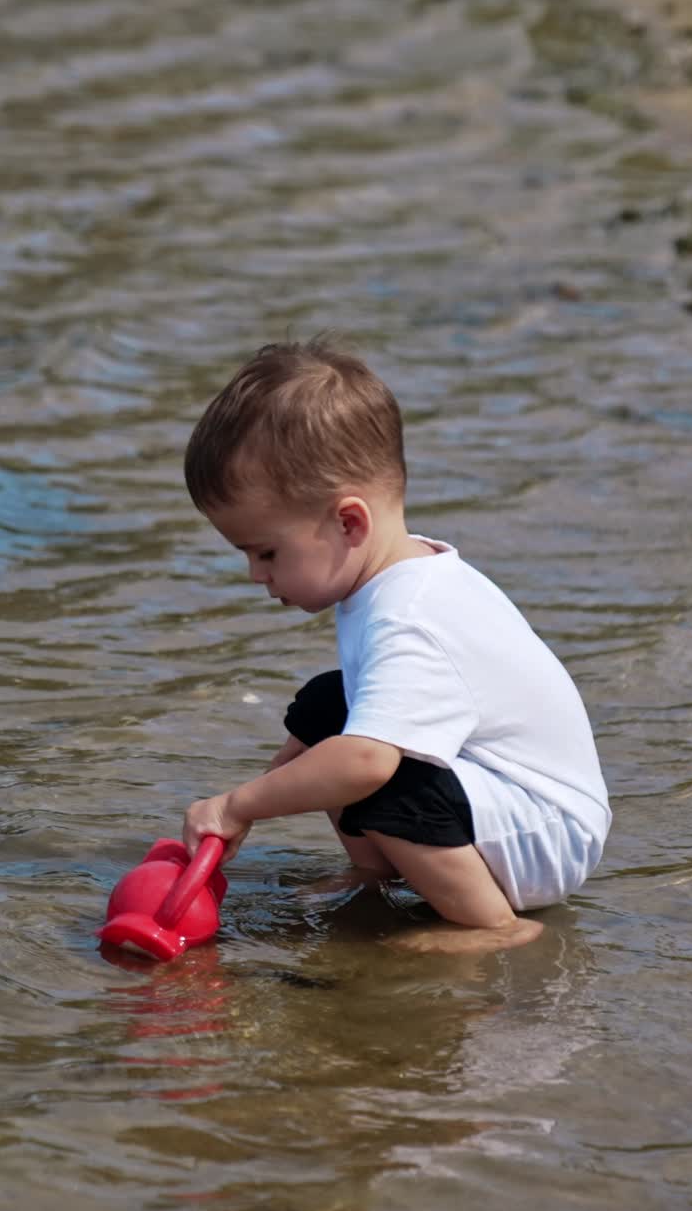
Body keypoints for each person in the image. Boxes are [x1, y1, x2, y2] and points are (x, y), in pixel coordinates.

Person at [180, 337, 611, 951]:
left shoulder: (409, 615)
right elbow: (331, 744)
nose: (255, 574)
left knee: (369, 764)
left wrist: (239, 804)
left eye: (266, 552)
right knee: (331, 703)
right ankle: (378, 870)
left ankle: (495, 927)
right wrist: (251, 806)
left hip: (546, 833)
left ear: (349, 523)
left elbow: (365, 764)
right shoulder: (394, 577)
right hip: (505, 802)